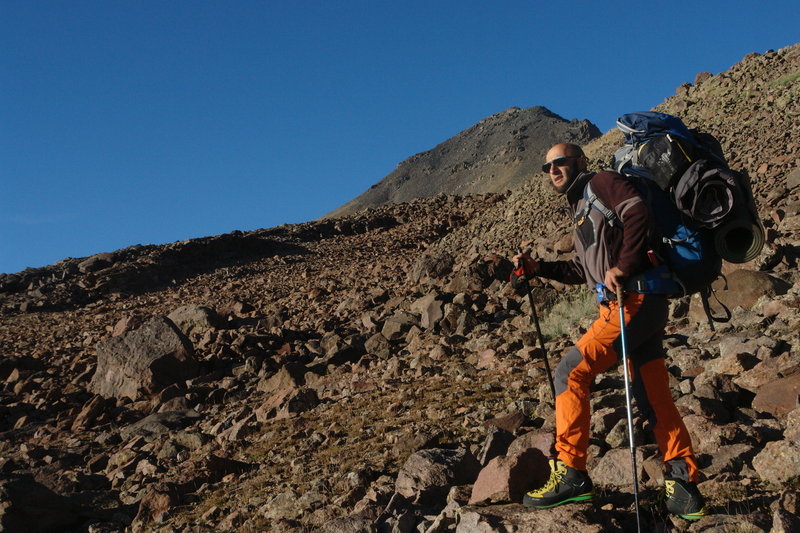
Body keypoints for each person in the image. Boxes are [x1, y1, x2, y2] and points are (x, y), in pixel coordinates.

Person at [513, 143, 706, 520]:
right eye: (547, 165)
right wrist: (540, 269)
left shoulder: (602, 183)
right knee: (653, 395)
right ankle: (684, 487)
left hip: (631, 302)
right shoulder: (582, 206)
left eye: (560, 162)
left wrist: (625, 265)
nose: (553, 170)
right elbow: (581, 271)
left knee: (570, 372)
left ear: (580, 162)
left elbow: (637, 212)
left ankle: (570, 473)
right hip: (638, 304)